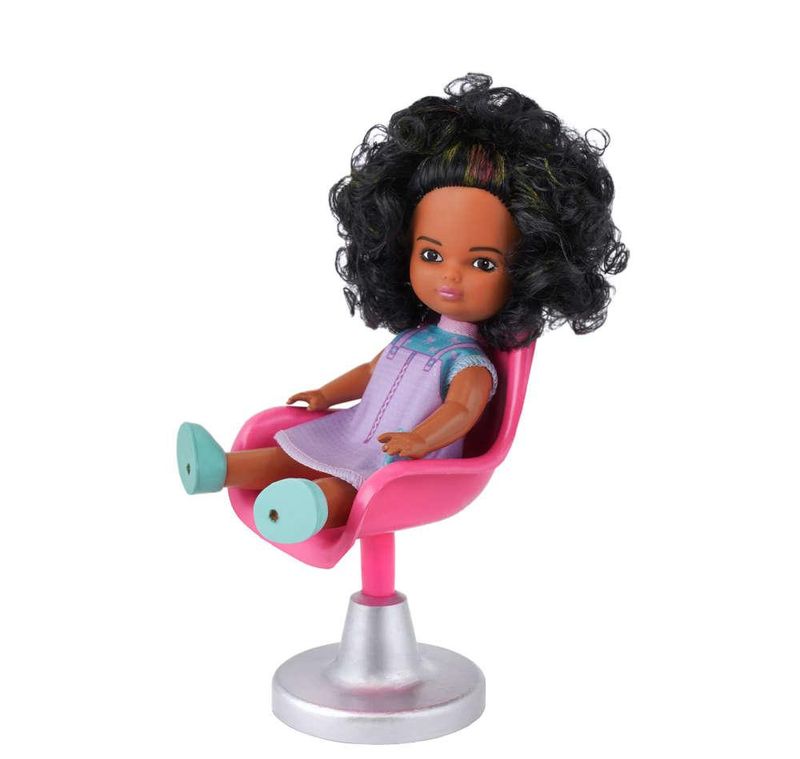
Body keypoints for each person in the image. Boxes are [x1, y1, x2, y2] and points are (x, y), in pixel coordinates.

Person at [177, 73, 628, 544]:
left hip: (409, 460)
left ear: (528, 271)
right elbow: (370, 372)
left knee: (353, 487)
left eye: (482, 263)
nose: (450, 276)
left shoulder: (469, 364)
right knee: (295, 454)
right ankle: (219, 469)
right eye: (431, 255)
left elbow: (462, 410)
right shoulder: (413, 338)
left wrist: (421, 440)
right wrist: (327, 395)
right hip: (357, 432)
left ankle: (308, 509)